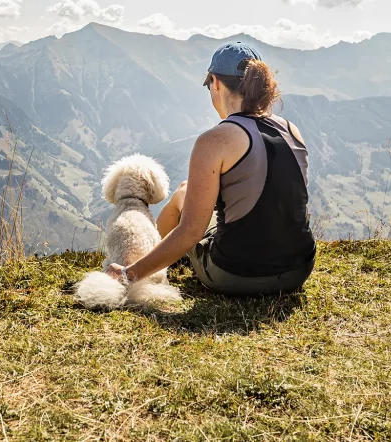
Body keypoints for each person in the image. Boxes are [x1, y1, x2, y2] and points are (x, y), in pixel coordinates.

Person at [105, 42, 316, 295]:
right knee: (185, 190)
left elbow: (191, 230)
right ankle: (150, 259)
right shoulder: (290, 129)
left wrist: (128, 276)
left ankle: (141, 265)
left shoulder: (214, 141)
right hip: (299, 269)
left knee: (183, 206)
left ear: (215, 82)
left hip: (237, 275)